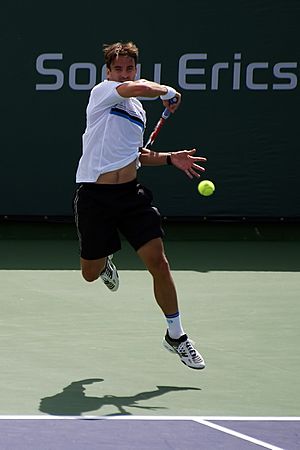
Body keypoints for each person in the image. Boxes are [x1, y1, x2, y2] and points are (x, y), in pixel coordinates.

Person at [73, 41, 207, 370]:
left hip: (131, 196)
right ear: (108, 72)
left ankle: (175, 335)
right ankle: (104, 264)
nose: (123, 74)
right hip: (94, 195)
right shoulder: (104, 92)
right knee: (89, 274)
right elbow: (139, 88)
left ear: (136, 68)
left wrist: (169, 159)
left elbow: (137, 156)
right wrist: (167, 91)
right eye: (117, 68)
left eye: (128, 68)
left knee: (158, 262)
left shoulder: (138, 110)